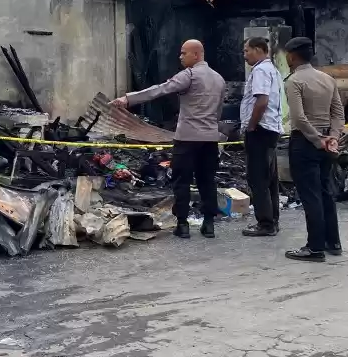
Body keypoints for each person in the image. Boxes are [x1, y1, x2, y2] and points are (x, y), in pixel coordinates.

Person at [111, 39, 225, 239]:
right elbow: (218, 111)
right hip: (210, 139)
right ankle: (209, 224)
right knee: (207, 180)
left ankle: (182, 224)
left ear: (196, 55)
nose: (180, 57)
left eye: (183, 53)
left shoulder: (189, 75)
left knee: (182, 181)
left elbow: (161, 89)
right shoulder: (219, 79)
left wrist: (128, 99)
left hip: (187, 138)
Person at [283, 37, 345, 262]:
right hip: (326, 142)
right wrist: (333, 138)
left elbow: (299, 118)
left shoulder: (294, 81)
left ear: (291, 56)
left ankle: (315, 247)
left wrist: (318, 140)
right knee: (325, 191)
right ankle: (333, 242)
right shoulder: (327, 79)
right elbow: (338, 113)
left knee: (310, 195)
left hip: (305, 143)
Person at [240, 37, 283, 237]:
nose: (244, 55)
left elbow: (262, 101)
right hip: (270, 129)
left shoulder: (260, 71)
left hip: (261, 130)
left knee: (257, 178)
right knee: (269, 178)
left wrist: (251, 126)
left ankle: (265, 224)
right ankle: (273, 220)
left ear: (258, 50)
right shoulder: (272, 69)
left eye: (246, 50)